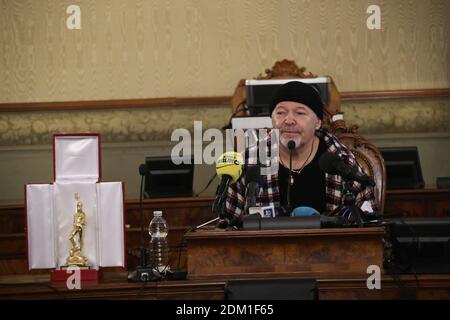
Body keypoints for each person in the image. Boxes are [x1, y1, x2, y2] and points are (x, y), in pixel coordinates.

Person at [223, 81, 377, 223]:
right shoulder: (250, 160)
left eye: (300, 113)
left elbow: (367, 218)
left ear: (317, 123)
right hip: (266, 250)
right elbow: (229, 224)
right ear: (272, 120)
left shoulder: (339, 159)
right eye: (281, 113)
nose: (289, 120)